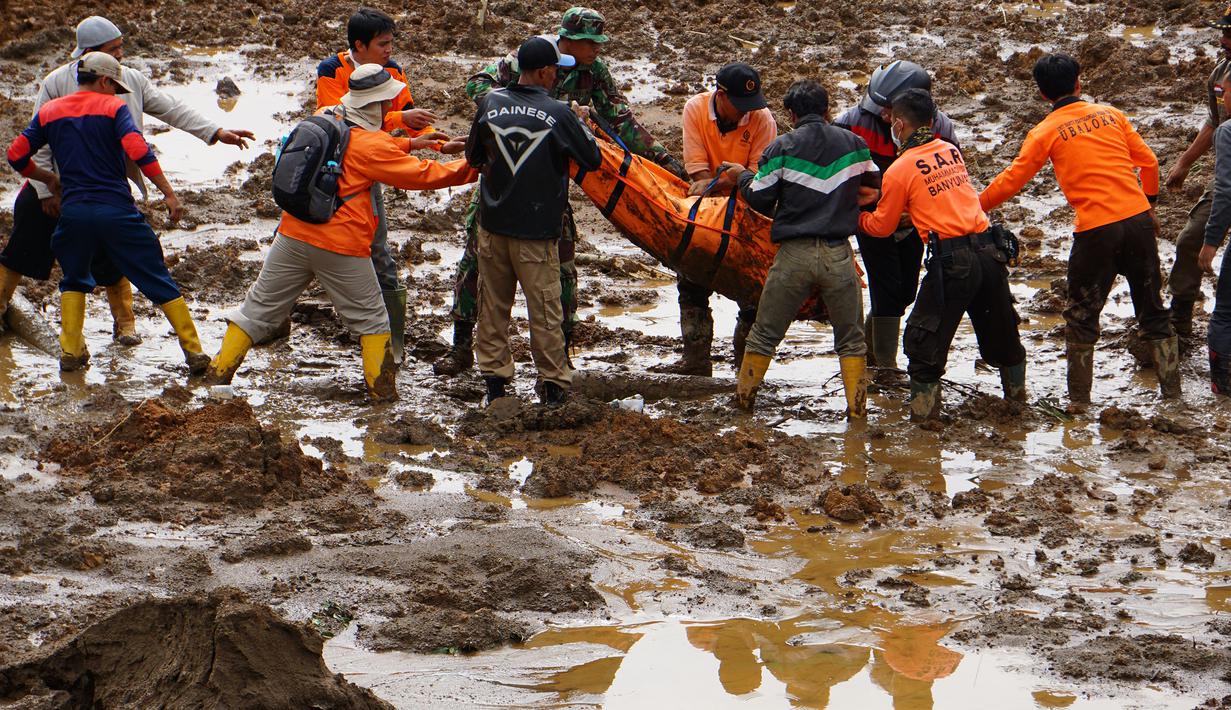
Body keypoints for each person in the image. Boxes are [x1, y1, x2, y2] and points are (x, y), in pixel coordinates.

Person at [434, 6, 687, 376]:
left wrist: (667, 163)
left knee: (564, 267)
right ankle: (460, 347)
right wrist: (537, 109)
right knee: (475, 260)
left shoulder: (594, 72)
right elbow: (478, 85)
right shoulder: (529, 58)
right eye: (589, 42)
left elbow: (621, 120)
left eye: (599, 42)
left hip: (548, 184)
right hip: (503, 175)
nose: (597, 48)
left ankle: (561, 353)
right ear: (565, 41)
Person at [204, 65, 477, 400]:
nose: (389, 109)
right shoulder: (372, 146)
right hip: (340, 246)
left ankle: (216, 377)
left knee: (255, 311)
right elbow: (424, 176)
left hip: (292, 234)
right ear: (374, 105)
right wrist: (474, 167)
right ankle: (382, 398)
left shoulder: (325, 117)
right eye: (386, 103)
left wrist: (411, 143)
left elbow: (364, 150)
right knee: (373, 321)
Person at [0, 15, 252, 345]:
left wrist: (215, 132)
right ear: (89, 54)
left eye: (121, 47)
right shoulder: (57, 83)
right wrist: (46, 188)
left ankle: (123, 325)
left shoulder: (130, 79)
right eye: (113, 49)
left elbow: (171, 108)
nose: (120, 54)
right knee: (23, 245)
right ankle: (2, 303)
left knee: (108, 257)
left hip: (105, 185)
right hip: (60, 185)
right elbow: (39, 143)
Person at [980, 53, 1177, 411]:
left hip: (1096, 230)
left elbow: (1013, 180)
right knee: (1152, 310)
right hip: (1138, 222)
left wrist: (976, 205)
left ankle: (1080, 404)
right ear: (1078, 83)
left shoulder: (1045, 131)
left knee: (1083, 316)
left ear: (1042, 93)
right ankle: (1173, 396)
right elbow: (1148, 162)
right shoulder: (1111, 114)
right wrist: (1149, 203)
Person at [6, 52, 211, 374]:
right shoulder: (114, 108)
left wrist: (47, 178)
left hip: (73, 213)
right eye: (115, 86)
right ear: (104, 80)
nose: (116, 92)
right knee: (156, 277)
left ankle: (70, 353)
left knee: (74, 280)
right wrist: (168, 193)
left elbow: (16, 154)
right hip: (116, 211)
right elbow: (137, 149)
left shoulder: (50, 111)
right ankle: (194, 351)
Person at [860, 89, 1027, 420]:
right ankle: (1019, 405)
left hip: (953, 263)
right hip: (990, 253)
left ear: (899, 124)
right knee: (1003, 336)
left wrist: (855, 216)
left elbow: (882, 227)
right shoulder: (950, 151)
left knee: (922, 343)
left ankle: (924, 424)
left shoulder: (899, 169)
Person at [728, 79, 880, 417]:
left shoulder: (781, 148)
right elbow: (873, 185)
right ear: (827, 110)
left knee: (764, 335)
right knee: (852, 342)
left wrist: (740, 176)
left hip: (794, 256)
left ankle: (743, 407)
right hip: (839, 255)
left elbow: (760, 198)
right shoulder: (855, 145)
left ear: (792, 115)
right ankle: (857, 417)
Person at [316, 6, 458, 362]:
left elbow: (413, 119)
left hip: (370, 162)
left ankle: (393, 343)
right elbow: (337, 119)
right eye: (382, 44)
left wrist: (438, 144)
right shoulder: (332, 70)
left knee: (377, 247)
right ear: (359, 46)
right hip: (334, 168)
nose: (389, 50)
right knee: (310, 239)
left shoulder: (393, 70)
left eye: (391, 42)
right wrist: (398, 117)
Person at [466, 36, 602, 406]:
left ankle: (495, 388)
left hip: (493, 225)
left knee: (492, 308)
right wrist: (580, 122)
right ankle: (553, 388)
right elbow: (591, 159)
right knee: (544, 310)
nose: (557, 75)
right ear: (543, 72)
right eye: (555, 69)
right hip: (537, 231)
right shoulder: (559, 112)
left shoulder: (490, 102)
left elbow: (473, 155)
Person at [650, 62, 777, 377]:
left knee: (753, 291)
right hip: (705, 213)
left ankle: (746, 368)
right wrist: (730, 178)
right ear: (720, 95)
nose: (746, 111)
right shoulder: (695, 109)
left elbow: (756, 181)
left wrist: (726, 180)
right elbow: (699, 174)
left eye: (751, 104)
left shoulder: (762, 118)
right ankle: (696, 360)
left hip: (748, 215)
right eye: (740, 104)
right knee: (692, 282)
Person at [834, 60, 960, 378]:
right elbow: (834, 171)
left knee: (904, 292)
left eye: (891, 111)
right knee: (885, 287)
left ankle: (869, 348)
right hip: (871, 217)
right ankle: (886, 367)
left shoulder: (941, 129)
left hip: (912, 220)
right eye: (881, 109)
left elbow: (947, 176)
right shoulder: (851, 123)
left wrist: (912, 213)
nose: (885, 117)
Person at [1163, 5, 1231, 337]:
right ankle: (1180, 315)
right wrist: (1184, 162)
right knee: (1191, 238)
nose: (1223, 40)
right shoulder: (1221, 74)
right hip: (1227, 174)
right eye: (1224, 32)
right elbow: (1215, 122)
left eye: (1230, 34)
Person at [1197, 72, 1231, 396]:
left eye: (1225, 94)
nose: (1222, 101)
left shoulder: (1227, 131)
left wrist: (1211, 241)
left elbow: (1226, 192)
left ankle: (1222, 387)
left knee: (1225, 312)